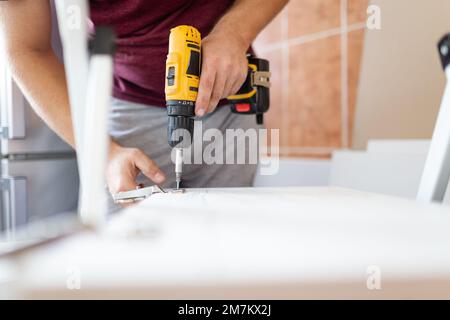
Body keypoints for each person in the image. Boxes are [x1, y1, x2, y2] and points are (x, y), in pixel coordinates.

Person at [0, 0, 288, 208]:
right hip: (128, 118)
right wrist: (105, 153)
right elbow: (26, 49)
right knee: (123, 261)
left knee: (227, 251)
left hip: (230, 108)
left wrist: (234, 34)